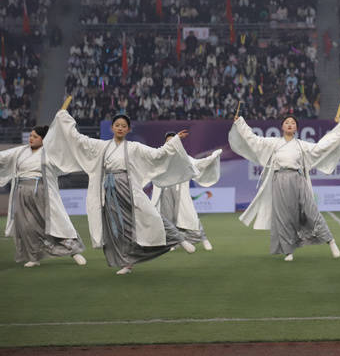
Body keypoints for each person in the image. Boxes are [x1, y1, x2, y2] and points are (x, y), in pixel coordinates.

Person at [44, 110, 197, 275]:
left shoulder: (134, 147)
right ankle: (127, 263)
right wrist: (64, 120)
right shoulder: (102, 146)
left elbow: (157, 154)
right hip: (109, 190)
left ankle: (178, 238)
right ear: (112, 128)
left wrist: (174, 141)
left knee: (151, 214)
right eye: (117, 125)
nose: (120, 128)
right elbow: (78, 140)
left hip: (128, 187)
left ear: (128, 129)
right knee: (119, 228)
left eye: (124, 126)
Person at [228, 113, 340, 261]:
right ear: (282, 127)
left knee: (311, 211)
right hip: (279, 180)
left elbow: (322, 147)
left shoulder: (301, 145)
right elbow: (253, 139)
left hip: (298, 179)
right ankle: (288, 251)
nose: (290, 124)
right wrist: (240, 123)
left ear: (296, 128)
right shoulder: (274, 143)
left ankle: (330, 241)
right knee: (283, 216)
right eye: (287, 122)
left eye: (292, 123)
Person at [0, 125, 87, 268]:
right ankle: (34, 257)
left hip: (42, 191)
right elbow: (3, 157)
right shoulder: (20, 151)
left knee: (56, 223)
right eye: (30, 136)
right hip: (21, 191)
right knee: (27, 226)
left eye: (35, 136)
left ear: (43, 139)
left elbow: (67, 160)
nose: (31, 138)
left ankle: (74, 251)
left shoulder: (50, 153)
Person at [152, 132, 223, 251]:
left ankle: (203, 238)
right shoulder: (160, 157)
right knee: (167, 218)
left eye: (174, 141)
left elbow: (199, 164)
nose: (171, 143)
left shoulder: (184, 158)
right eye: (169, 141)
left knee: (190, 215)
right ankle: (172, 242)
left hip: (180, 191)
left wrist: (212, 158)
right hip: (164, 190)